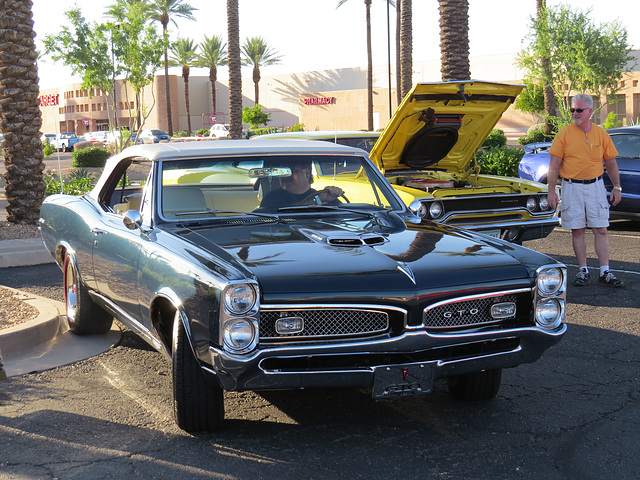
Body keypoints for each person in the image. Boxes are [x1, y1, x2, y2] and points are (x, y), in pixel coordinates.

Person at [547, 93, 624, 288]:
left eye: (579, 110)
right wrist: (551, 192)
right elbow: (554, 165)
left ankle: (605, 272)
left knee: (601, 229)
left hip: (596, 186)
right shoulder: (564, 134)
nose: (575, 113)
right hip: (572, 187)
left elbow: (611, 162)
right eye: (572, 109)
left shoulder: (601, 134)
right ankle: (583, 271)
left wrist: (617, 187)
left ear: (590, 111)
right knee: (578, 230)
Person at [260, 161, 344, 210]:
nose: (285, 176)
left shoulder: (322, 196)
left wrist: (333, 195)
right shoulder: (272, 198)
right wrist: (316, 200)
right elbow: (284, 215)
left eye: (290, 171)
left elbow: (343, 217)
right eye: (282, 172)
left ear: (307, 173)